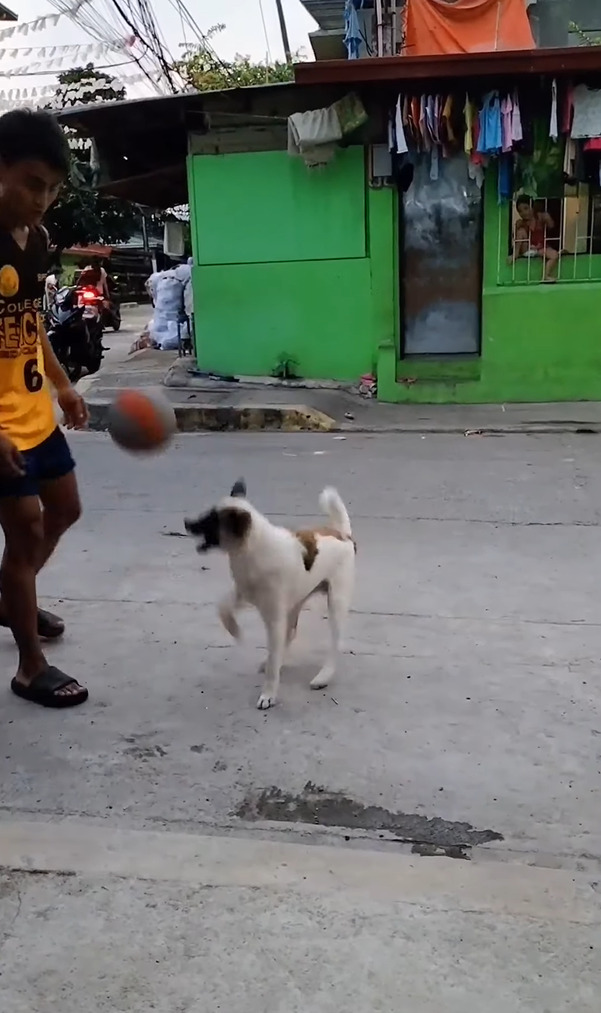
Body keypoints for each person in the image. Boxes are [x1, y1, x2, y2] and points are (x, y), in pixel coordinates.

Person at [0, 108, 89, 707]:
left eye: (53, 189)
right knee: (25, 525)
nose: (43, 200)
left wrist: (61, 384)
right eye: (33, 184)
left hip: (34, 410)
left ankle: (13, 595)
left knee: (65, 509)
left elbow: (31, 327)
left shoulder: (39, 243)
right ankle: (31, 665)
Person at [509, 195, 559, 283]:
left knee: (554, 255)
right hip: (527, 248)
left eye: (526, 208)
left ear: (532, 207)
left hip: (539, 248)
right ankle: (515, 255)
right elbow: (515, 237)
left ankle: (546, 276)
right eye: (520, 211)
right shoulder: (520, 223)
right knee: (521, 232)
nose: (524, 213)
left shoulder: (540, 218)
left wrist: (547, 218)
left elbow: (551, 225)